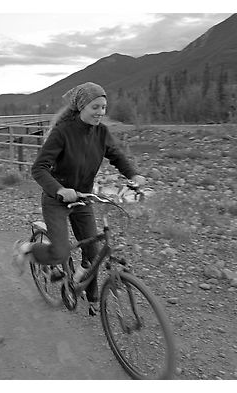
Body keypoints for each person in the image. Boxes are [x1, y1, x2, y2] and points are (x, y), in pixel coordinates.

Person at [12, 81, 145, 315]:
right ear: (82, 106)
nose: (101, 112)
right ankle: (26, 248)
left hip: (83, 198)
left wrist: (133, 175)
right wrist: (60, 190)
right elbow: (39, 168)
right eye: (95, 107)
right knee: (61, 252)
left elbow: (116, 156)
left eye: (104, 107)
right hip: (56, 199)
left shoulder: (101, 132)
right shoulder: (63, 132)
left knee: (93, 252)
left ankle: (91, 297)